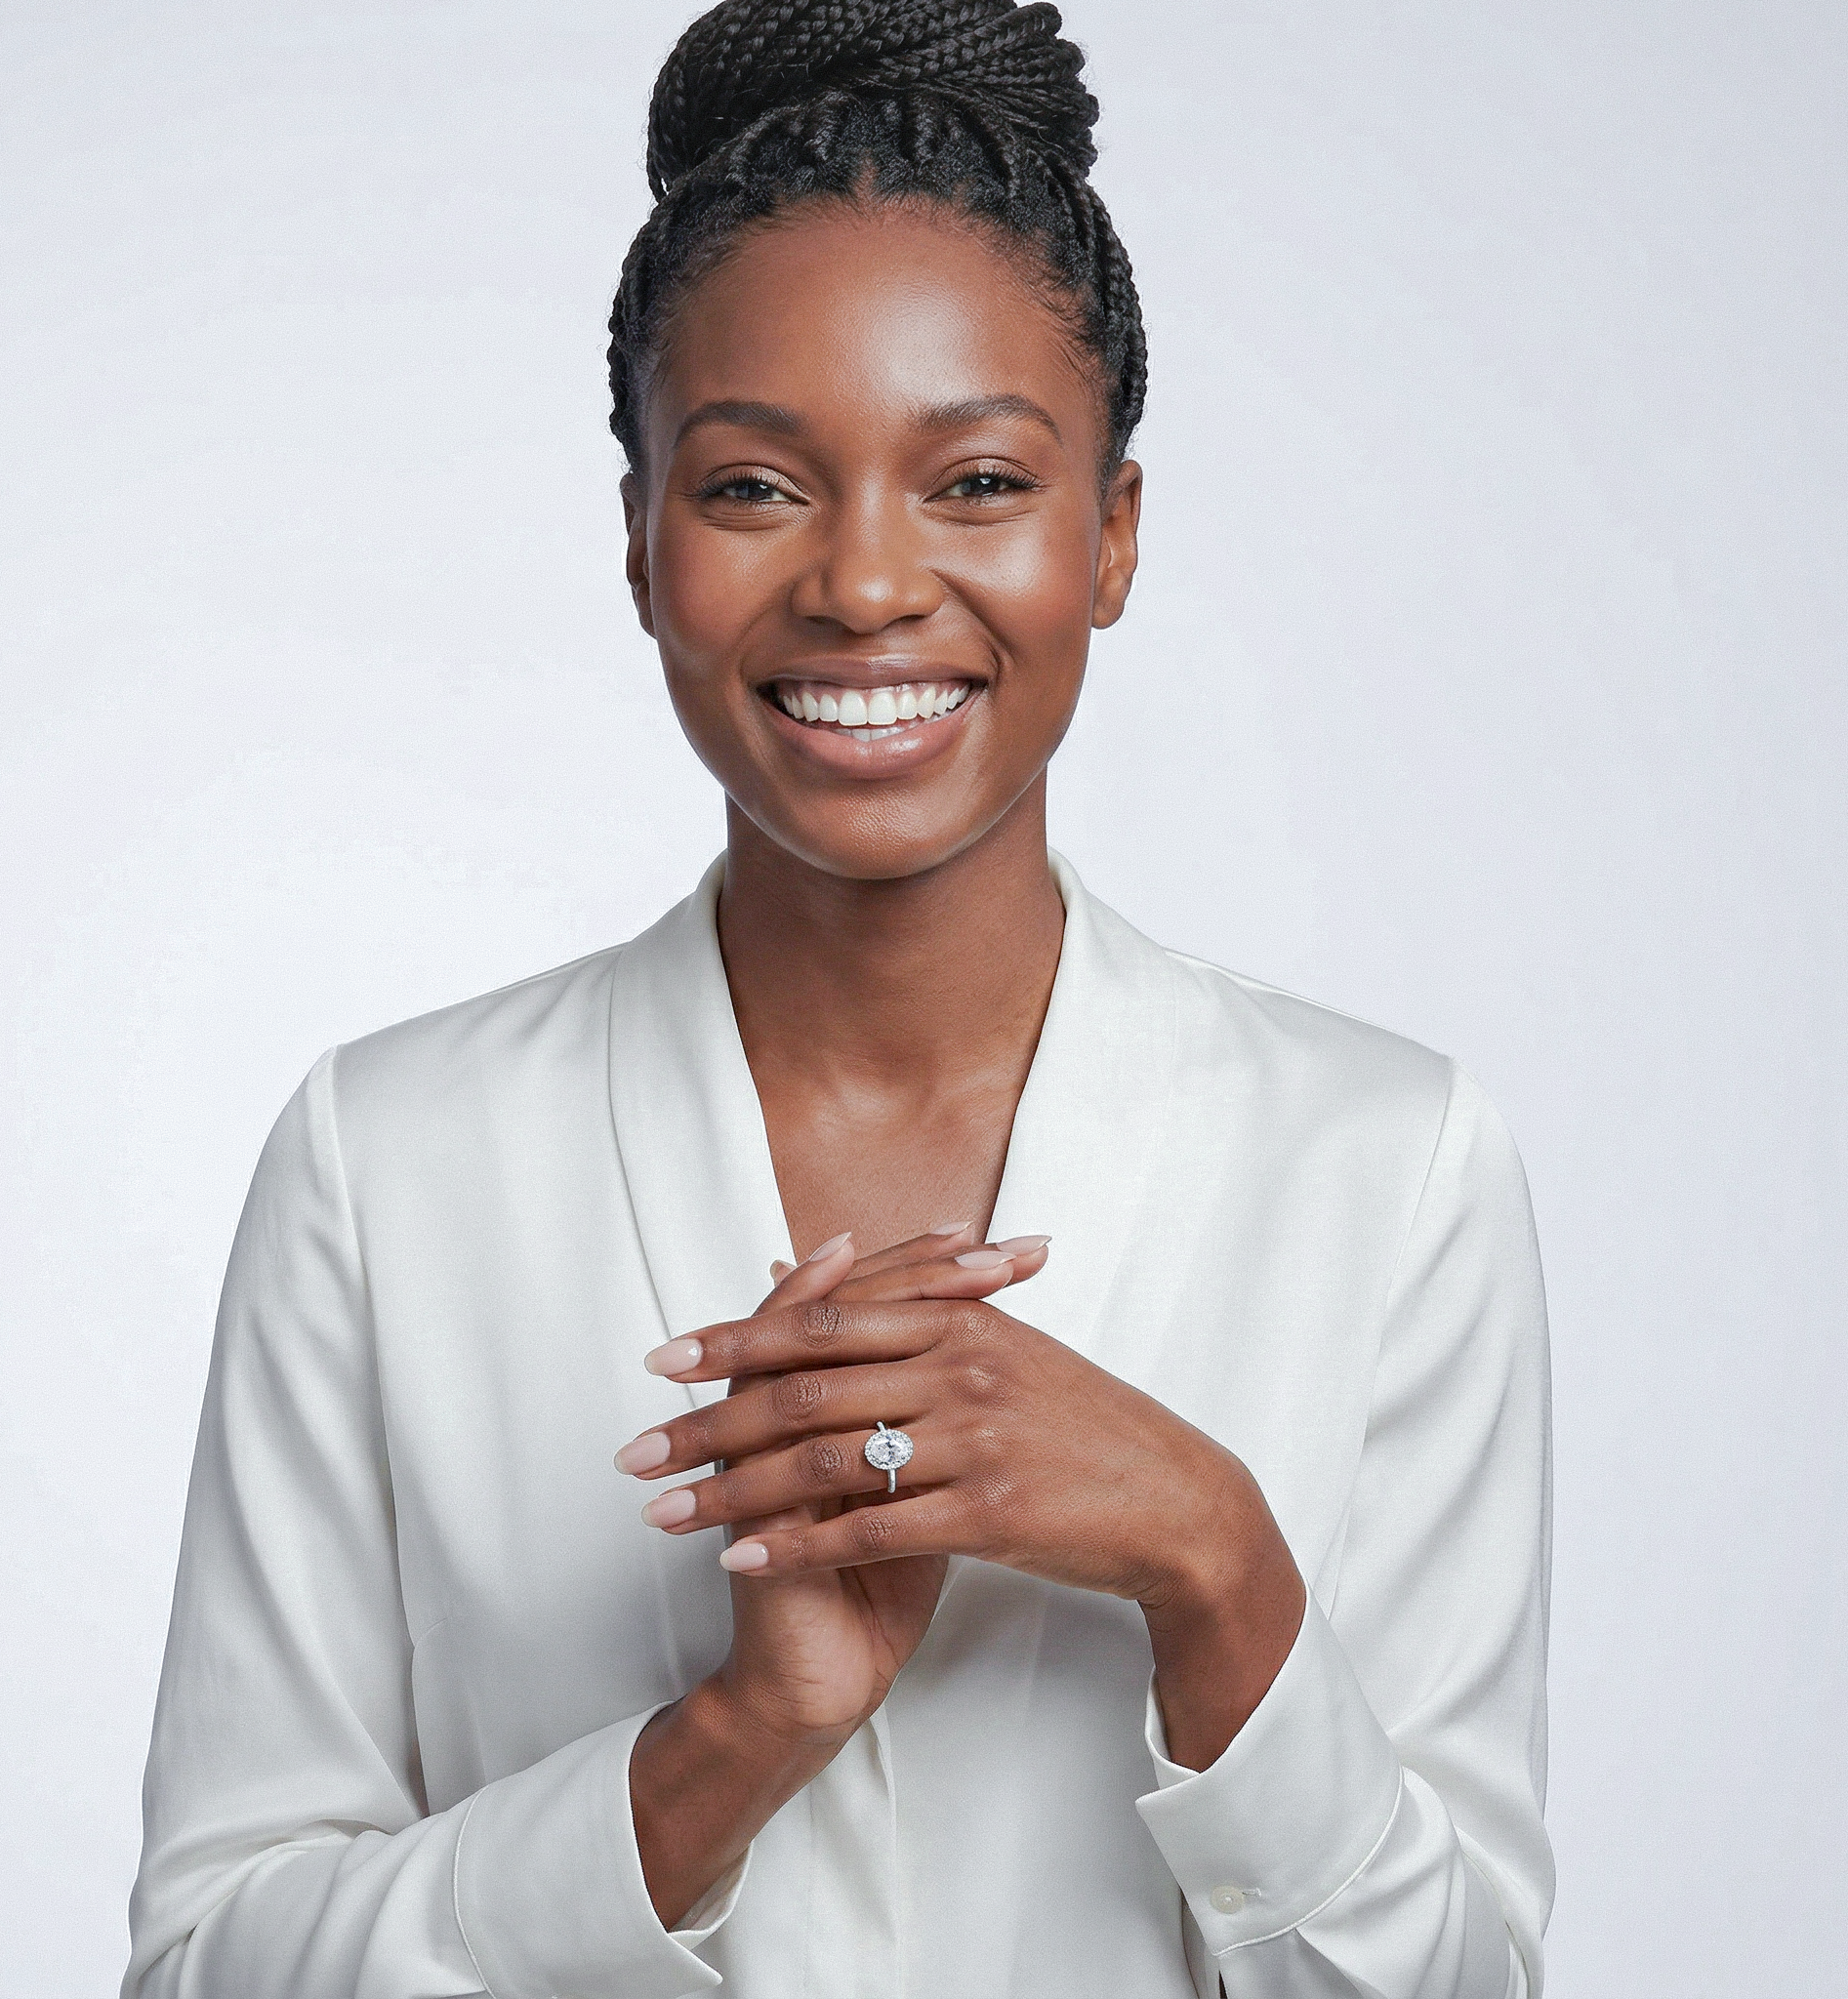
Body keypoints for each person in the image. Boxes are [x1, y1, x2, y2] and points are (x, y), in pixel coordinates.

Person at [122, 3, 1553, 1994]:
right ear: (640, 545)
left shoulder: (1386, 1169)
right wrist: (729, 1744)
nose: (867, 585)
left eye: (976, 480)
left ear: (1111, 535)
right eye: (751, 488)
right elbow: (209, 1965)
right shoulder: (390, 1164)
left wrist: (1215, 1564)